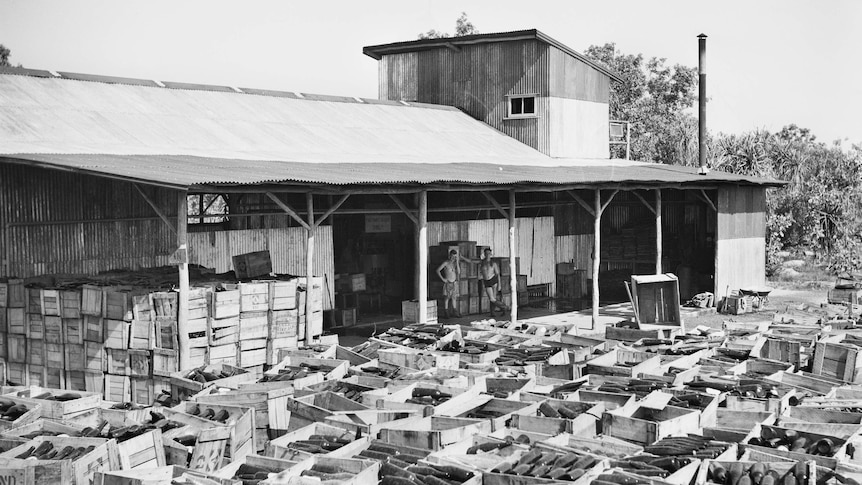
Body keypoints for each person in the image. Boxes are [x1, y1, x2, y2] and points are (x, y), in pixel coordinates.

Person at [479, 248, 510, 317]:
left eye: (489, 254)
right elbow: (471, 262)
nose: (487, 255)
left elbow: (497, 274)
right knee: (492, 299)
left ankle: (493, 312)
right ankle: (503, 307)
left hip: (493, 280)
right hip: (487, 281)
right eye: (486, 254)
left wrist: (499, 285)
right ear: (484, 254)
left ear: (491, 254)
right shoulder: (482, 262)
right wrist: (462, 257)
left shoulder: (493, 263)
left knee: (493, 298)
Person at [436, 249, 461, 319]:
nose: (454, 258)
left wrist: (457, 262)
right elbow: (438, 270)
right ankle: (446, 312)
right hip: (448, 282)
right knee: (446, 298)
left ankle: (455, 312)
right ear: (450, 256)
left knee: (454, 298)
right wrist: (443, 279)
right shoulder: (446, 263)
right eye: (453, 256)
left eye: (455, 257)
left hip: (454, 282)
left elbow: (458, 272)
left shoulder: (455, 264)